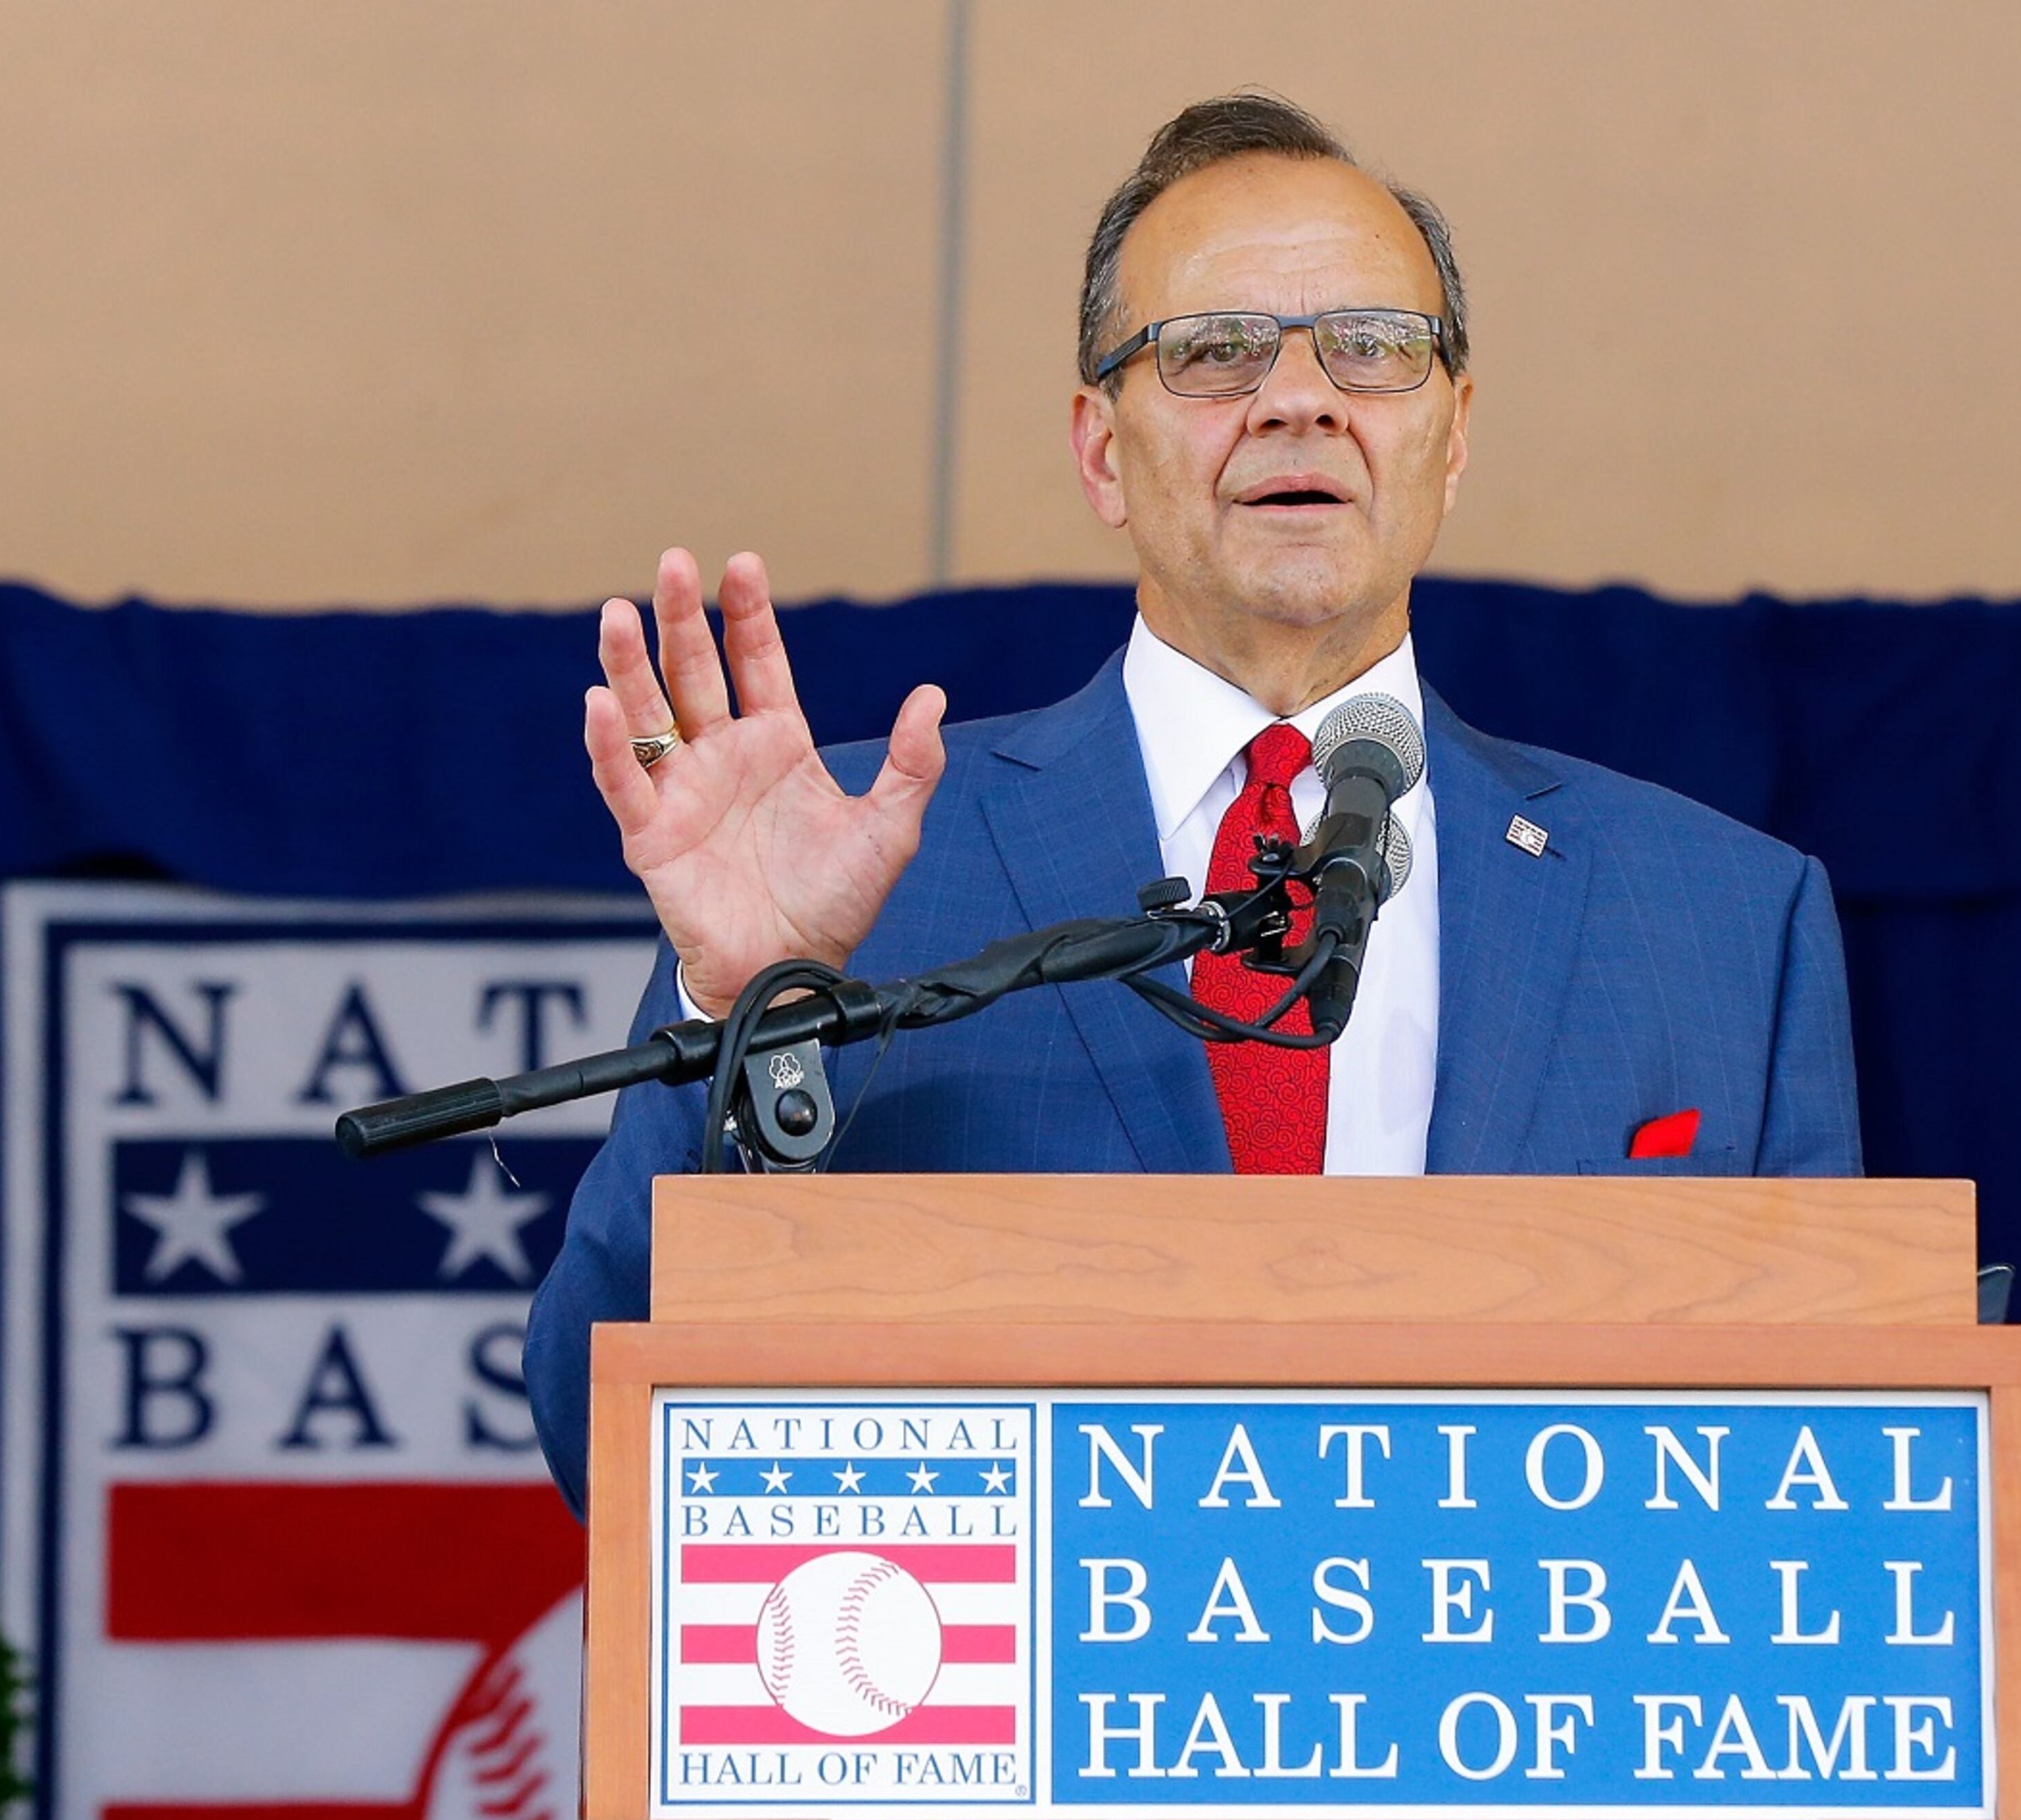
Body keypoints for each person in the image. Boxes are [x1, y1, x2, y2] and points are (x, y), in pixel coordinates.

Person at [524, 95, 1860, 1512]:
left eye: (1374, 347)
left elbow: (1823, 1482)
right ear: (1102, 449)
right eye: (1216, 352)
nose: (1301, 398)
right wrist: (740, 1015)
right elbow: (609, 1452)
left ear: (1453, 436)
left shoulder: (1724, 919)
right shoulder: (873, 867)